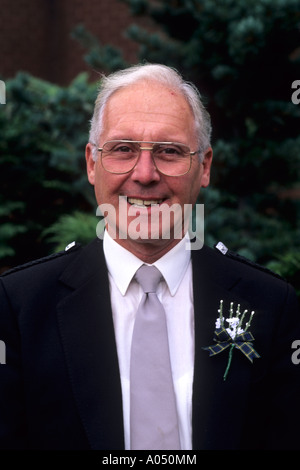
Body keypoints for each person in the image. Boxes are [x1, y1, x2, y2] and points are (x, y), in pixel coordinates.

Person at [0, 63, 299, 451]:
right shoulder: (19, 306)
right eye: (123, 149)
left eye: (169, 152)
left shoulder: (269, 305)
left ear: (204, 166)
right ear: (92, 163)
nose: (144, 174)